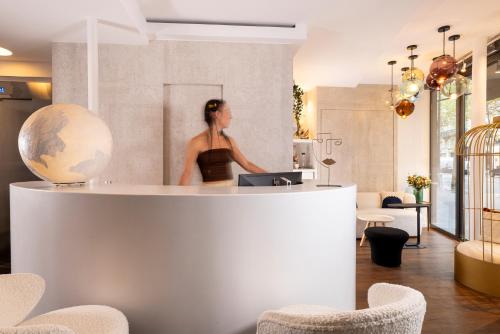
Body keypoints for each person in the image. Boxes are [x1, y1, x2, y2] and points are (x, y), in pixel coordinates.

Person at [179, 99, 266, 186]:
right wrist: (179, 198)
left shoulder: (229, 141)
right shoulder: (196, 142)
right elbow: (187, 173)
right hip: (208, 195)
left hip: (230, 195)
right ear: (217, 114)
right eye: (227, 111)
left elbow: (247, 164)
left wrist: (272, 177)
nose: (230, 116)